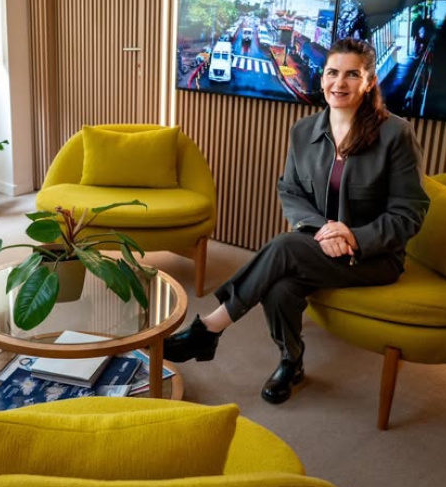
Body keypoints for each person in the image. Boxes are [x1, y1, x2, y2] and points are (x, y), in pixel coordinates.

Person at [164, 38, 429, 404]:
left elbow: (409, 212)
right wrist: (323, 231)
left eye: (352, 75)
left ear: (369, 82)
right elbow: (289, 191)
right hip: (317, 246)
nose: (340, 83)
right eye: (333, 72)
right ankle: (291, 360)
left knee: (284, 246)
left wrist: (353, 236)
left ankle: (210, 328)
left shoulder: (395, 134)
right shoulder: (304, 131)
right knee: (280, 287)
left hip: (373, 256)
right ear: (322, 78)